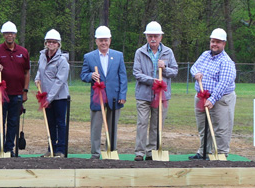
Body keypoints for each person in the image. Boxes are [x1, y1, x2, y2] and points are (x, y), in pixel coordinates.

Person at [132, 21, 179, 161]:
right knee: (142, 123)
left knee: (156, 124)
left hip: (161, 96)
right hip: (143, 95)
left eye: (156, 36)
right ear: (146, 37)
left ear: (160, 37)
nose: (153, 39)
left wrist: (164, 68)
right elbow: (136, 73)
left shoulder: (168, 52)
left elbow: (175, 71)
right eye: (150, 36)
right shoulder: (140, 52)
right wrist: (153, 81)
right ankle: (139, 152)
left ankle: (151, 151)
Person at [80, 26, 127, 160]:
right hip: (97, 97)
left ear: (110, 40)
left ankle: (111, 150)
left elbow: (123, 77)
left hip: (114, 97)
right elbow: (83, 75)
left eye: (106, 40)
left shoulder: (118, 56)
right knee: (96, 126)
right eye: (101, 40)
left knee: (113, 126)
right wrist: (90, 76)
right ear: (96, 41)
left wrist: (122, 95)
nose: (103, 43)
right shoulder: (89, 57)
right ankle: (95, 153)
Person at [189, 28, 237, 160]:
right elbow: (194, 67)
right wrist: (196, 74)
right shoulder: (205, 55)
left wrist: (213, 99)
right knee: (203, 127)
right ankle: (203, 152)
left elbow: (224, 83)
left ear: (224, 44)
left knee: (221, 128)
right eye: (212, 41)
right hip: (201, 96)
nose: (214, 44)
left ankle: (221, 154)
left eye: (218, 42)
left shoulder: (226, 62)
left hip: (221, 98)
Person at [0, 21, 30, 155]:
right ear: (3, 35)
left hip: (17, 93)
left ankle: (9, 149)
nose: (9, 35)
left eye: (11, 33)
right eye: (6, 33)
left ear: (15, 34)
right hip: (1, 93)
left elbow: (27, 72)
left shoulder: (23, 52)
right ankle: (0, 149)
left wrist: (25, 91)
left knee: (13, 122)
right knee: (0, 121)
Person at [34, 29, 70, 158]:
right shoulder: (42, 56)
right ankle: (51, 148)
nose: (51, 44)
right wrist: (37, 78)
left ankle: (60, 150)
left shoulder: (62, 61)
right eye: (49, 42)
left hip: (59, 97)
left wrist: (49, 98)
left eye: (54, 42)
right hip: (46, 95)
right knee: (50, 123)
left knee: (60, 122)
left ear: (58, 44)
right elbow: (40, 70)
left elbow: (60, 81)